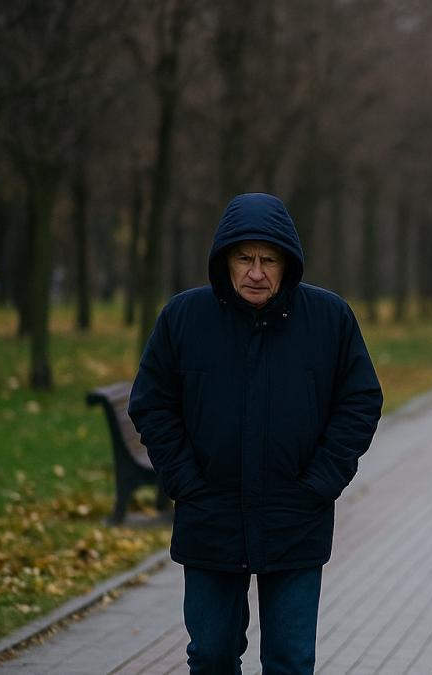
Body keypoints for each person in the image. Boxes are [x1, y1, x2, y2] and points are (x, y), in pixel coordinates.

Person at [129, 193, 383, 674]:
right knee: (211, 654)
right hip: (210, 515)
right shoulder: (185, 317)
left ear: (288, 264)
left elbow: (361, 400)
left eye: (268, 260)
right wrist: (185, 482)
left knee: (290, 659)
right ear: (224, 260)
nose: (256, 272)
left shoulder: (329, 319)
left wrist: (321, 482)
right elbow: (152, 402)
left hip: (296, 515)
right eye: (244, 258)